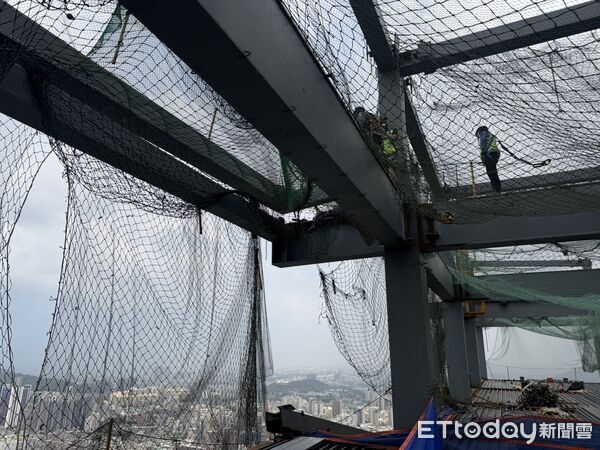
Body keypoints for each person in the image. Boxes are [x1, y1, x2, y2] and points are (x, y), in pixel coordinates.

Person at [475, 125, 501, 193]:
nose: (478, 137)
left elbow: (483, 145)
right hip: (493, 154)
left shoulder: (483, 133)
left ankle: (496, 190)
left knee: (491, 173)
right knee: (493, 172)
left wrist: (484, 154)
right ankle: (497, 189)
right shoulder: (489, 134)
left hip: (489, 154)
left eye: (477, 134)